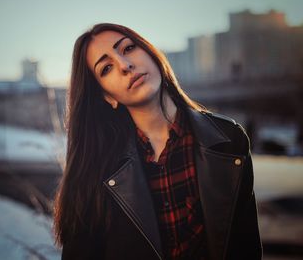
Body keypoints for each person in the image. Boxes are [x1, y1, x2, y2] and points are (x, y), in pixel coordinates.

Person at [53, 23, 262, 260]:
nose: (125, 65)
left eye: (129, 48)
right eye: (107, 68)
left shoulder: (228, 140)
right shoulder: (95, 170)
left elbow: (246, 248)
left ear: (152, 53)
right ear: (107, 97)